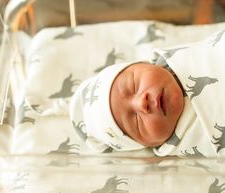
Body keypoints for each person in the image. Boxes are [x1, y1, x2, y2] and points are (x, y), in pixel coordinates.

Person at [70, 29, 225, 157]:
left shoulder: (182, 59)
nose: (141, 103)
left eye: (133, 85)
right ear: (150, 144)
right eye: (136, 122)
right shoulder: (187, 145)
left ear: (145, 64)